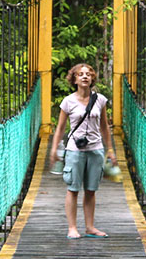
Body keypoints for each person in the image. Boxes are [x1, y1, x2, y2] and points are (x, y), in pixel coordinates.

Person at [49, 63, 117, 239]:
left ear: (92, 78)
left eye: (88, 74)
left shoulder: (100, 100)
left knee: (91, 189)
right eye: (81, 74)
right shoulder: (68, 101)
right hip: (74, 150)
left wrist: (110, 150)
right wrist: (54, 149)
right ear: (75, 79)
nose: (85, 76)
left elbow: (105, 126)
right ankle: (72, 228)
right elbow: (61, 128)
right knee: (73, 188)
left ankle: (90, 227)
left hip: (95, 149)